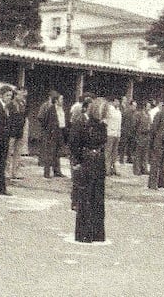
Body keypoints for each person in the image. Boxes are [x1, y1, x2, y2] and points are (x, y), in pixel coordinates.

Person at [70, 97, 107, 243]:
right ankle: (84, 234)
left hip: (98, 162)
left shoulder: (101, 125)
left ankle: (97, 233)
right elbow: (74, 144)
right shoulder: (82, 124)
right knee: (86, 197)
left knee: (98, 197)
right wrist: (78, 161)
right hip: (87, 160)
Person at [148, 99, 164, 189]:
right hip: (159, 141)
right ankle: (152, 183)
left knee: (163, 163)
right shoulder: (159, 114)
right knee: (155, 163)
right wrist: (154, 140)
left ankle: (161, 182)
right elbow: (154, 128)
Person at [38, 94, 66, 178]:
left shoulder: (61, 109)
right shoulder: (51, 109)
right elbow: (44, 120)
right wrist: (49, 130)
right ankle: (46, 173)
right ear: (56, 100)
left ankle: (57, 171)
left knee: (58, 153)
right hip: (52, 133)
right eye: (61, 99)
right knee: (50, 153)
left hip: (60, 132)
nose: (62, 101)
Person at [7, 88, 28, 179]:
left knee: (18, 153)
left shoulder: (23, 104)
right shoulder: (10, 105)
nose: (22, 96)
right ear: (15, 95)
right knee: (8, 152)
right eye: (20, 95)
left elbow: (24, 116)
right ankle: (7, 172)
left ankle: (15, 172)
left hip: (19, 131)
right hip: (11, 132)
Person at [104, 96, 122, 176]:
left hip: (117, 134)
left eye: (119, 102)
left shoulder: (118, 111)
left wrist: (119, 134)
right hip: (110, 133)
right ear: (114, 101)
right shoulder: (109, 109)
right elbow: (105, 120)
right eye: (117, 101)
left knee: (115, 153)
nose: (118, 103)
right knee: (108, 152)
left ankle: (113, 168)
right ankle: (107, 169)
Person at [133, 101, 151, 176]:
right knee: (138, 154)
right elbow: (135, 125)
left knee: (145, 154)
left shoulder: (149, 115)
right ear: (144, 107)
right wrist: (136, 134)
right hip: (140, 135)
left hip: (147, 136)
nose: (149, 108)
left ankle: (144, 168)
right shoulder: (139, 114)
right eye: (148, 106)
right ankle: (137, 170)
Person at [119, 100, 137, 164]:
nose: (134, 107)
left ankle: (129, 158)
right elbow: (122, 121)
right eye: (133, 105)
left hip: (132, 132)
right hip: (125, 131)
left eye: (135, 106)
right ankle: (121, 158)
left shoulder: (135, 113)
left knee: (130, 146)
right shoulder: (125, 112)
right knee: (123, 145)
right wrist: (122, 129)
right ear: (130, 105)